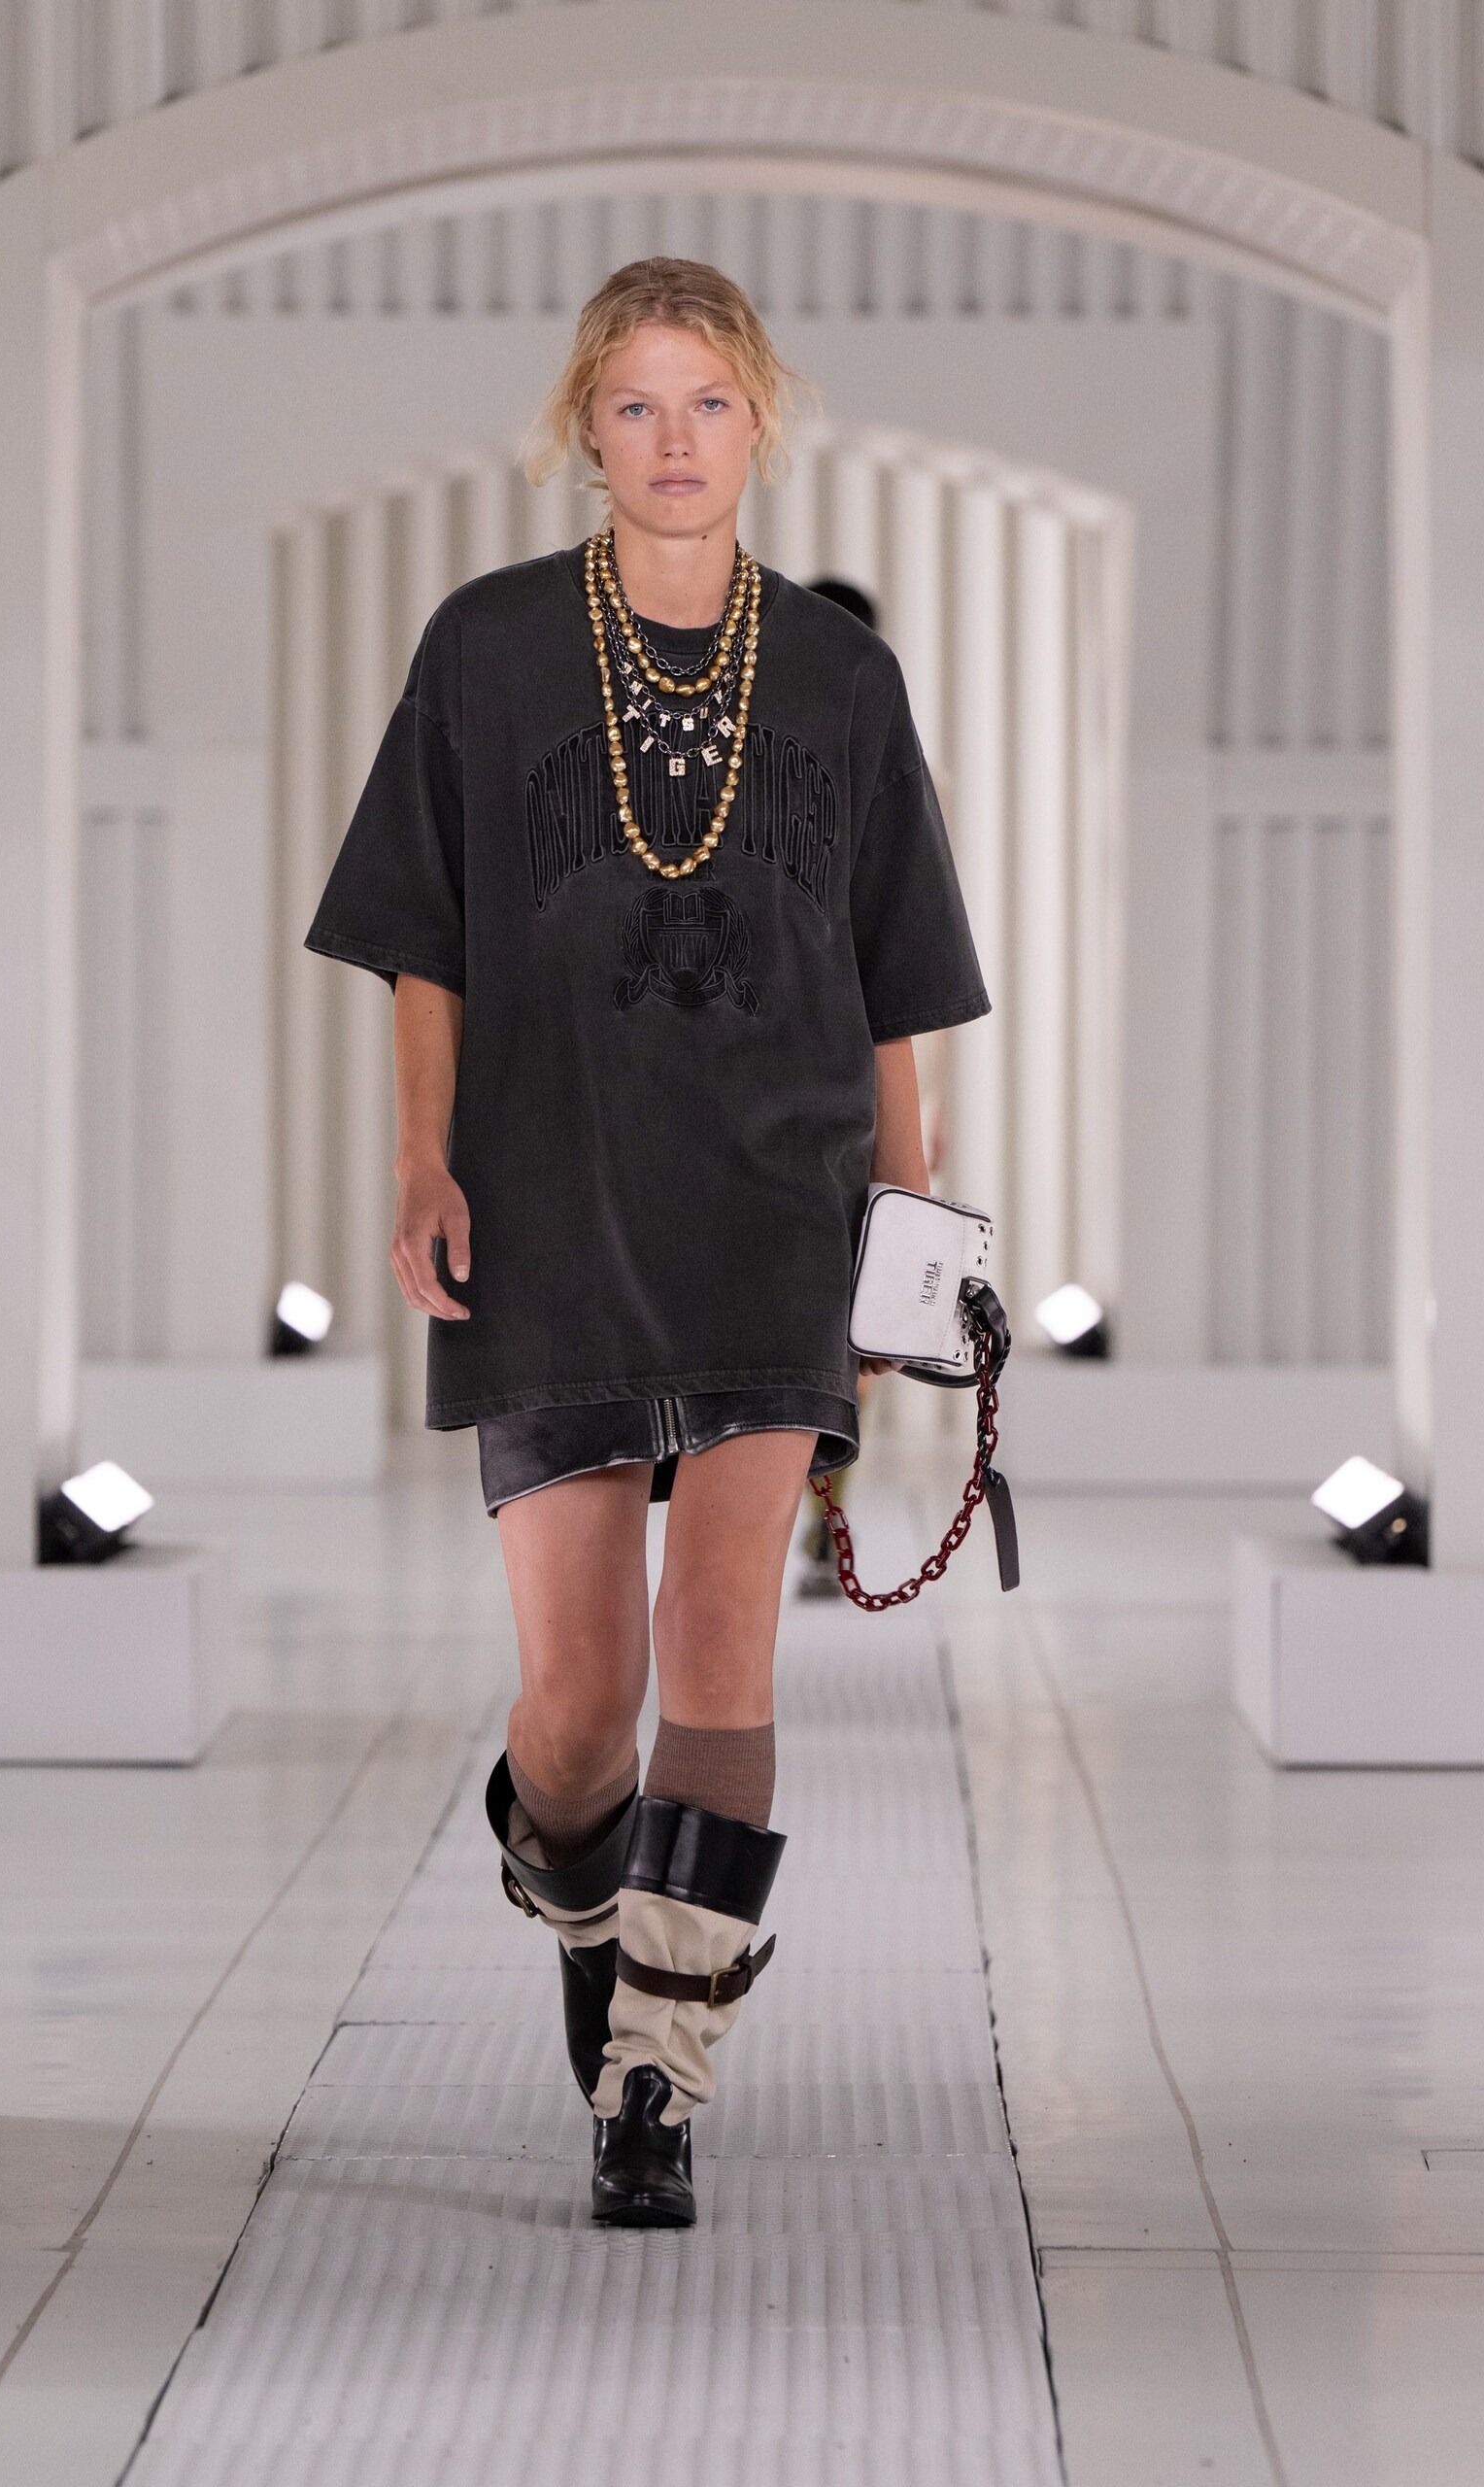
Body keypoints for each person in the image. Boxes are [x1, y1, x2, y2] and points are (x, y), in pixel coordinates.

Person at [304, 258, 989, 2228]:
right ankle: (584, 1896)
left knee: (720, 1641)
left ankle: (656, 2085)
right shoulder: (490, 646)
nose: (673, 440)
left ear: (760, 417)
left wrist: (907, 1228)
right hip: (547, 1193)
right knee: (578, 1706)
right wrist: (423, 1161)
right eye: (634, 405)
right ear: (582, 429)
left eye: (706, 402)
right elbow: (422, 941)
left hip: (775, 1202)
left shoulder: (839, 677)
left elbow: (898, 984)